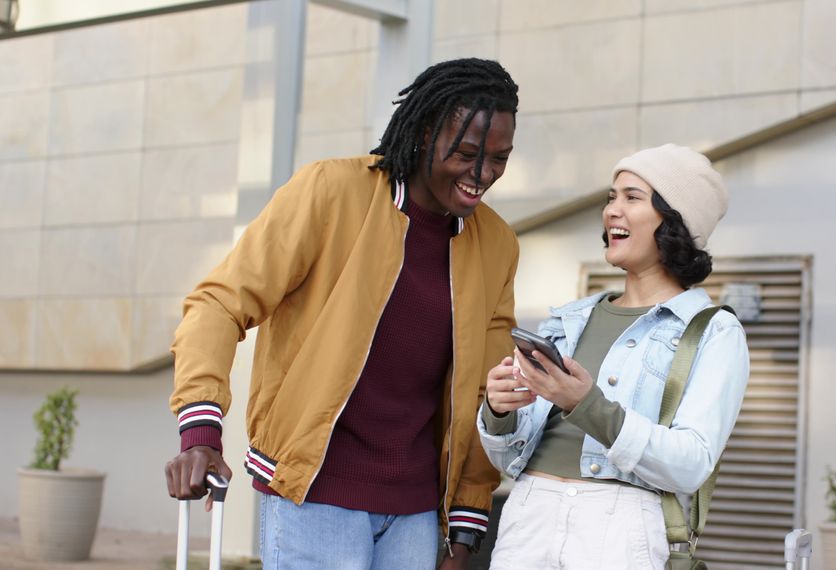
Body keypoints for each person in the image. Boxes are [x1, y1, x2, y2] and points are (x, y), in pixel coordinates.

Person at [164, 58, 521, 569]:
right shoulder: (330, 192)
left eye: (499, 159)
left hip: (416, 515)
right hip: (314, 494)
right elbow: (219, 303)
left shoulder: (497, 245)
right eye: (466, 153)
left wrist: (464, 526)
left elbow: (488, 391)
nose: (483, 175)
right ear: (423, 133)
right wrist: (200, 431)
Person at [478, 144, 750, 569]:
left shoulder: (713, 331)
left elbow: (691, 463)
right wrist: (498, 411)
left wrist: (585, 405)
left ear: (674, 220)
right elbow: (507, 459)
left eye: (632, 197)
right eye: (611, 197)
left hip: (617, 529)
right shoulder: (567, 320)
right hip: (527, 515)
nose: (611, 211)